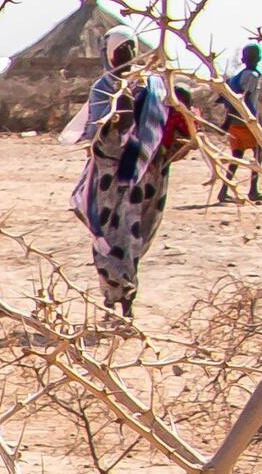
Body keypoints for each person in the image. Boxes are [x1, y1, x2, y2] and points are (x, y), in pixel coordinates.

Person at [62, 28, 177, 320]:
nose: (124, 57)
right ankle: (120, 303)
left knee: (123, 238)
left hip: (127, 178)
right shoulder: (141, 86)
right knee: (121, 238)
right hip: (129, 176)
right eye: (122, 51)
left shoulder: (146, 86)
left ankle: (119, 302)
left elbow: (97, 136)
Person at [219, 43, 262, 203]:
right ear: (259, 58)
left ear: (243, 58)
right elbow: (242, 98)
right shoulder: (252, 76)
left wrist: (226, 121)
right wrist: (253, 119)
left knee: (237, 156)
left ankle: (224, 190)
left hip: (234, 121)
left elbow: (228, 97)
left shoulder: (236, 77)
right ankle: (253, 190)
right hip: (245, 120)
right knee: (259, 152)